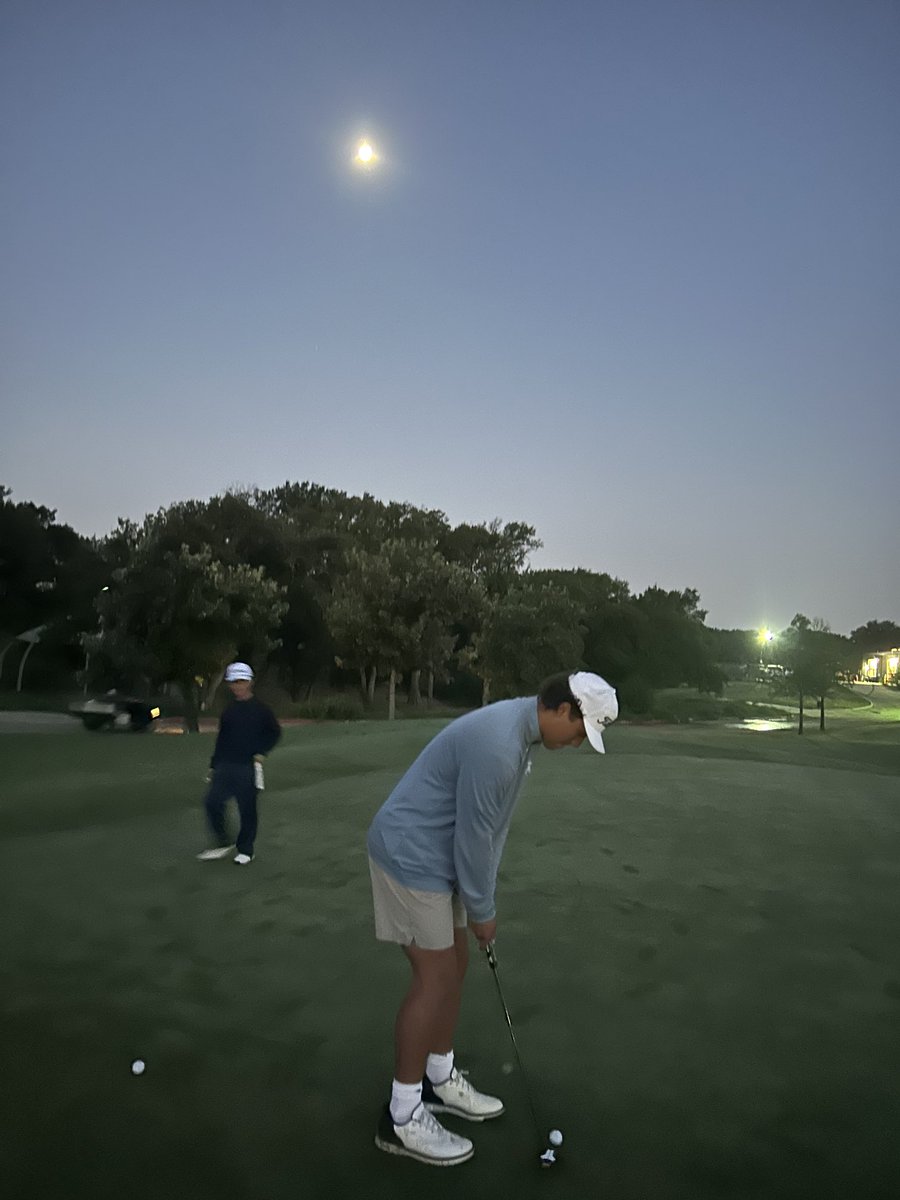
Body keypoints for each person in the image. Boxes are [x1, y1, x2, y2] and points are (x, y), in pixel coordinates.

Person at [367, 670, 618, 1166]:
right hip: (410, 853)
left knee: (454, 966)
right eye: (580, 732)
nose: (577, 744)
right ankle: (400, 1116)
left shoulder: (520, 730)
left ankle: (438, 1079)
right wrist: (483, 909)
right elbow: (476, 838)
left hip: (440, 860)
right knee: (434, 978)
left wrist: (478, 899)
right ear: (563, 710)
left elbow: (484, 832)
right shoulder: (500, 746)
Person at [196, 662, 282, 866]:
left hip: (248, 766)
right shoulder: (229, 711)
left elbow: (274, 733)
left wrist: (262, 752)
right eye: (234, 682)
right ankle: (223, 842)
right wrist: (213, 764)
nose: (237, 685)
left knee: (247, 809)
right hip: (226, 764)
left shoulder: (261, 710)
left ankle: (246, 850)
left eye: (241, 681)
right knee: (212, 803)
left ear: (250, 682)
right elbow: (222, 739)